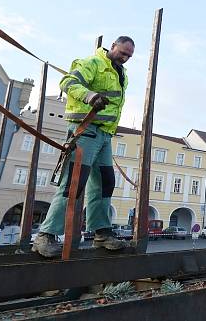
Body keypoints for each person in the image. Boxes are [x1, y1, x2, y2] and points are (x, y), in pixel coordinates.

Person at [33, 37, 135, 258]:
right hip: (86, 129)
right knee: (73, 183)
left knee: (105, 183)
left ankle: (102, 233)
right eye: (122, 52)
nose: (125, 58)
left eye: (129, 56)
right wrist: (90, 96)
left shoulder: (120, 73)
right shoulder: (93, 63)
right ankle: (45, 235)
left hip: (105, 134)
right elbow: (67, 83)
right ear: (113, 46)